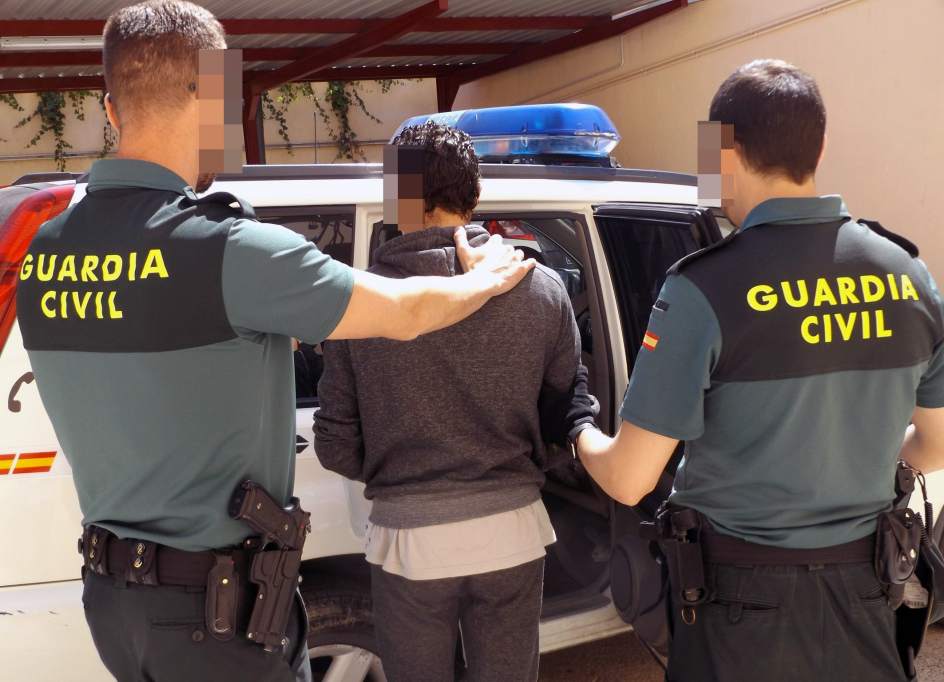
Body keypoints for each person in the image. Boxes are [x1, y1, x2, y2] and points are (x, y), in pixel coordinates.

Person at [14, 3, 533, 681]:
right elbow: (403, 312)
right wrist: (486, 280)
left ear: (111, 109)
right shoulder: (227, 249)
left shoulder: (43, 251)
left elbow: (144, 365)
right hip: (215, 616)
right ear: (209, 97)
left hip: (115, 608)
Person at [570, 59, 944, 681]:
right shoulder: (908, 275)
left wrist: (578, 424)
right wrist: (861, 455)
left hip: (738, 610)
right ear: (819, 147)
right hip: (866, 594)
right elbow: (936, 444)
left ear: (725, 152)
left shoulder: (703, 288)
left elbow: (631, 479)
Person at [314, 121, 595, 682]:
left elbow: (335, 444)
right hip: (513, 531)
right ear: (475, 193)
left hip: (408, 543)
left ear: (397, 196)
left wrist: (399, 470)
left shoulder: (360, 303)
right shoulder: (541, 290)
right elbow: (566, 411)